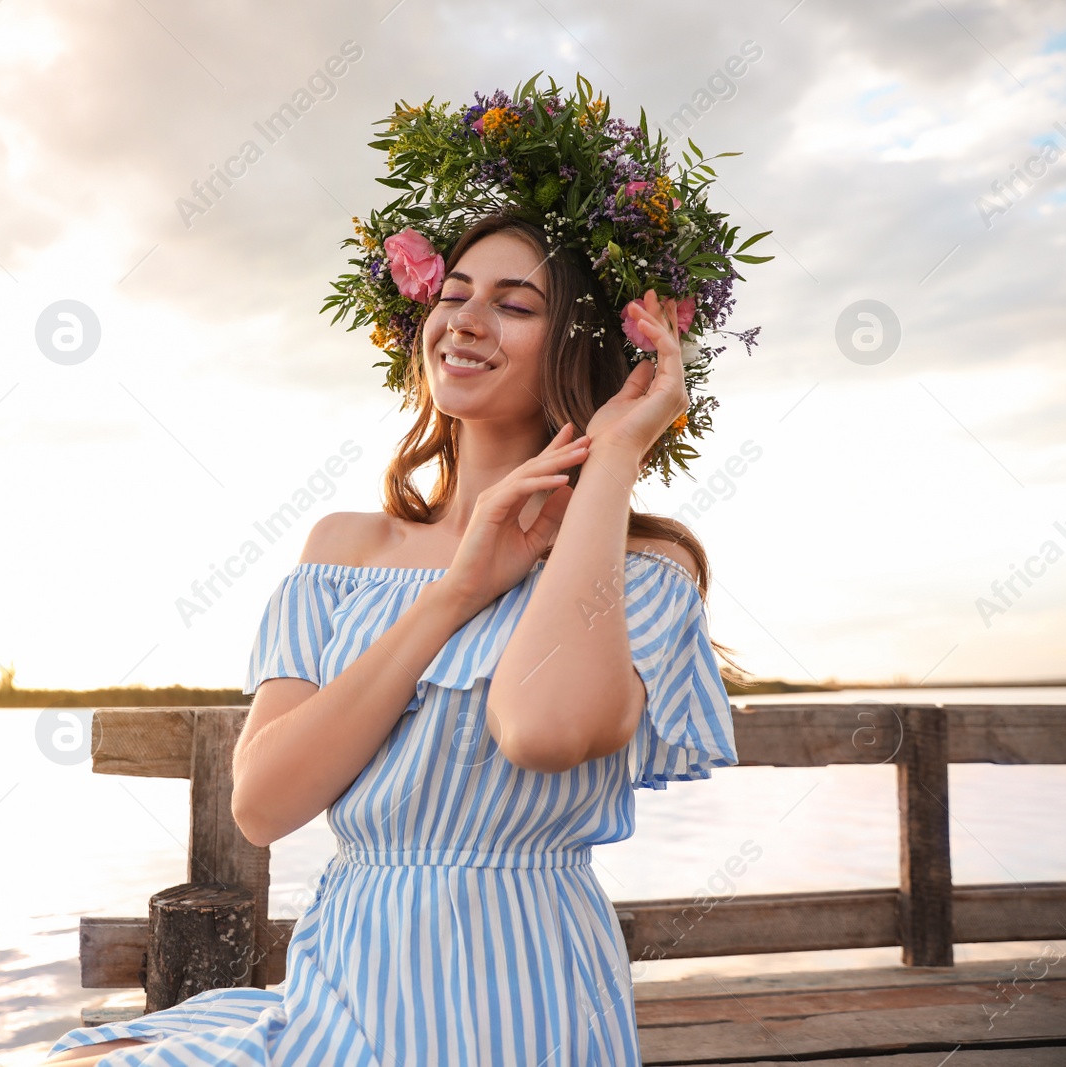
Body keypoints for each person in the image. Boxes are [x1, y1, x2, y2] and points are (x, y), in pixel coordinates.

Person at [39, 211, 740, 1065]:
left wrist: (617, 452)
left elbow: (544, 728)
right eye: (453, 294)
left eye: (516, 306)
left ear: (581, 348)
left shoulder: (642, 571)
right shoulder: (342, 552)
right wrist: (456, 594)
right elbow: (262, 805)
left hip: (521, 991)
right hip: (343, 982)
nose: (467, 320)